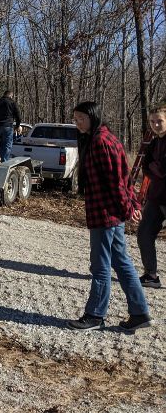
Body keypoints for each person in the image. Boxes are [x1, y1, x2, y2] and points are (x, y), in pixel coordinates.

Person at [66, 101, 151, 332]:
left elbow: (117, 183)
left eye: (80, 118)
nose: (77, 123)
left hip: (106, 215)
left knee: (100, 266)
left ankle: (95, 315)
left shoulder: (102, 141)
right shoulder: (97, 139)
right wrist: (130, 205)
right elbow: (123, 180)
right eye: (75, 118)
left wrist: (128, 208)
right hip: (105, 213)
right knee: (121, 262)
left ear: (93, 116)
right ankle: (140, 313)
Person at [136, 103, 166, 289]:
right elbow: (146, 168)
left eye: (160, 121)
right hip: (156, 197)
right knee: (144, 234)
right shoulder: (154, 142)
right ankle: (151, 275)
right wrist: (157, 167)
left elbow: (162, 169)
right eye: (152, 121)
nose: (155, 125)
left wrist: (157, 168)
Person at [0, 90, 22, 163]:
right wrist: (17, 126)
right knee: (7, 145)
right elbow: (18, 116)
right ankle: (5, 162)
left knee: (2, 143)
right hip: (7, 126)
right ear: (11, 95)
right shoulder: (12, 103)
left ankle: (3, 160)